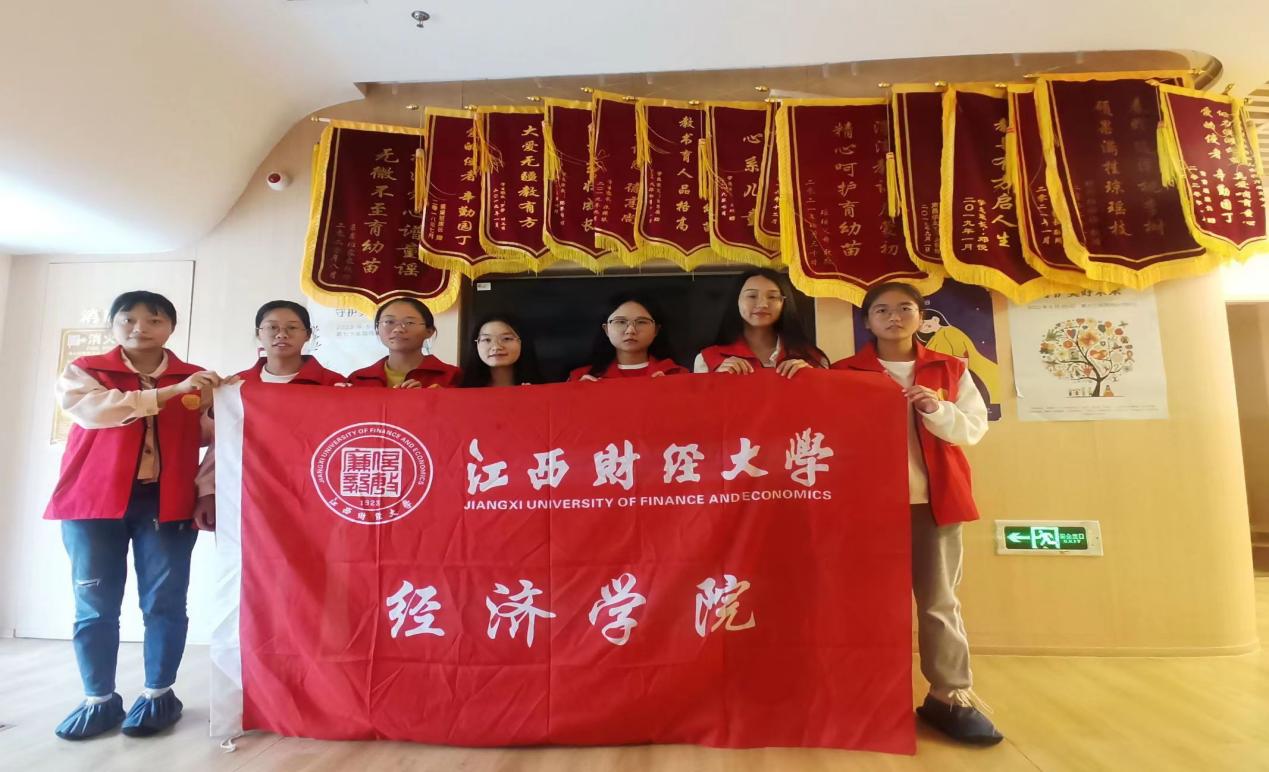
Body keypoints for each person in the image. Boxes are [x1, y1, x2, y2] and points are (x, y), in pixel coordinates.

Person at [45, 291, 226, 740]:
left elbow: (216, 435)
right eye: (127, 319)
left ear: (171, 328)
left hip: (167, 502)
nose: (140, 327)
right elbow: (95, 412)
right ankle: (98, 699)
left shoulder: (195, 378)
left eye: (154, 319)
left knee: (165, 602)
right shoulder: (86, 371)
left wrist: (221, 407)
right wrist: (171, 393)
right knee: (94, 604)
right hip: (93, 502)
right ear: (112, 325)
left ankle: (158, 694)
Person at [833, 281, 1002, 746]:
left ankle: (949, 695)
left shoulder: (950, 367)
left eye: (905, 308)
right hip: (865, 508)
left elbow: (972, 430)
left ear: (921, 316)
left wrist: (936, 408)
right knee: (864, 603)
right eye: (882, 310)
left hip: (934, 503)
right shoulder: (844, 372)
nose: (894, 317)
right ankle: (865, 695)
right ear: (867, 321)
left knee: (938, 602)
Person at [694, 268, 826, 377]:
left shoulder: (813, 359)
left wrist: (811, 377)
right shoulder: (707, 359)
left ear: (784, 304)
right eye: (752, 296)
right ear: (737, 301)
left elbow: (824, 400)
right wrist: (716, 379)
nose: (762, 304)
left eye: (772, 297)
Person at [569, 294, 685, 381]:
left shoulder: (678, 375)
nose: (630, 330)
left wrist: (672, 391)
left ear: (656, 330)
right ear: (606, 329)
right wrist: (579, 393)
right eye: (620, 322)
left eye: (641, 322)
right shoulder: (581, 378)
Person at [348, 298, 460, 388]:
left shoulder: (451, 376)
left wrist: (437, 398)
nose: (398, 329)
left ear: (429, 331)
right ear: (377, 329)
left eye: (409, 322)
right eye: (389, 322)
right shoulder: (357, 379)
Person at [235, 300, 347, 386]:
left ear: (308, 334)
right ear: (258, 333)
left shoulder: (333, 383)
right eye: (272, 327)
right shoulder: (238, 383)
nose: (281, 334)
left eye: (292, 327)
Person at [459, 314, 542, 387]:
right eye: (487, 340)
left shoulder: (541, 389)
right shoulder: (462, 391)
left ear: (523, 342)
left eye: (506, 338)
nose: (496, 347)